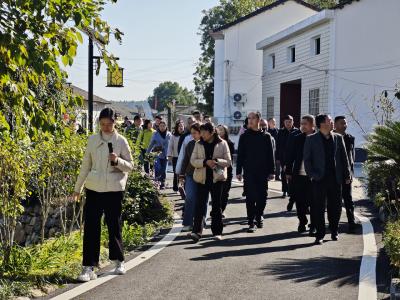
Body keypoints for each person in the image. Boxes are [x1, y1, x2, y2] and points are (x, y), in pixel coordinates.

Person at [72, 108, 134, 282]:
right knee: (91, 226)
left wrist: (117, 161)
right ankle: (88, 267)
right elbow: (85, 165)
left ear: (115, 123)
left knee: (114, 224)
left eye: (109, 124)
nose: (106, 127)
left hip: (114, 190)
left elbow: (130, 166)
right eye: (103, 124)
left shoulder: (121, 141)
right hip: (93, 188)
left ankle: (118, 260)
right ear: (99, 123)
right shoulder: (92, 140)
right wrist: (77, 188)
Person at [303, 114, 351, 245]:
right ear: (322, 124)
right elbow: (307, 160)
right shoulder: (311, 139)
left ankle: (334, 230)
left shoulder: (338, 138)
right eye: (330, 121)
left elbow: (344, 158)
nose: (332, 123)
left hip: (335, 178)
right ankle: (320, 235)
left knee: (335, 207)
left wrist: (347, 175)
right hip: (319, 179)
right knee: (318, 208)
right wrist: (312, 174)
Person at [189, 122, 231, 242]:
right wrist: (204, 162)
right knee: (200, 206)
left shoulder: (222, 143)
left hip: (217, 179)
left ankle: (217, 232)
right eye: (200, 132)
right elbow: (193, 160)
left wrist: (217, 161)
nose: (201, 134)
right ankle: (197, 232)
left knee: (216, 206)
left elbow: (228, 161)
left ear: (211, 132)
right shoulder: (198, 144)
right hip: (202, 179)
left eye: (204, 132)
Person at [236, 112, 275, 233]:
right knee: (250, 197)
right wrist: (238, 171)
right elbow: (240, 155)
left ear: (259, 120)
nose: (250, 120)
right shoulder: (244, 136)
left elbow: (270, 155)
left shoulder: (266, 136)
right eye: (249, 118)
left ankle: (259, 215)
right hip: (249, 171)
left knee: (262, 196)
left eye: (253, 118)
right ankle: (251, 221)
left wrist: (272, 171)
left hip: (262, 171)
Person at [285, 115, 316, 234]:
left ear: (312, 125)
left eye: (305, 124)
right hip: (298, 175)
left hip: (313, 176)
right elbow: (290, 156)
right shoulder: (297, 138)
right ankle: (302, 222)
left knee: (314, 202)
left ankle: (313, 225)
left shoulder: (318, 139)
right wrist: (288, 171)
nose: (302, 126)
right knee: (300, 202)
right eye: (301, 123)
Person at [334, 115, 357, 232]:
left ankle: (351, 222)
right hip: (334, 174)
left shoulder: (350, 138)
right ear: (335, 124)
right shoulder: (330, 137)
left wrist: (350, 173)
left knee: (348, 199)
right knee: (335, 200)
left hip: (347, 174)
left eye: (345, 123)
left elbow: (351, 156)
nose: (344, 125)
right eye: (342, 123)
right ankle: (334, 224)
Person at [178, 123, 202, 231]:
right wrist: (181, 175)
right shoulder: (190, 144)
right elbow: (185, 160)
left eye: (195, 133)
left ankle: (201, 223)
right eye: (191, 133)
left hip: (203, 175)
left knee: (201, 200)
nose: (192, 135)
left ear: (201, 132)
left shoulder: (206, 143)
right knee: (190, 197)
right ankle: (188, 223)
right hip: (190, 174)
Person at [276, 115, 299, 198]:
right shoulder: (281, 132)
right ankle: (284, 190)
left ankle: (291, 190)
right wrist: (277, 158)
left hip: (294, 157)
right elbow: (277, 145)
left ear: (293, 122)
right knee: (284, 174)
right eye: (286, 122)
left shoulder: (297, 131)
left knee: (293, 175)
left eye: (290, 122)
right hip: (283, 157)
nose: (288, 124)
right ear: (284, 123)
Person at [217, 124, 235, 216]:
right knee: (217, 192)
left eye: (221, 130)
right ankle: (217, 210)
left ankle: (221, 210)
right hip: (216, 170)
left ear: (225, 131)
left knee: (225, 193)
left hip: (227, 170)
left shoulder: (230, 143)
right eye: (218, 129)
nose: (219, 131)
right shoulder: (213, 142)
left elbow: (229, 160)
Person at [147, 120, 171, 189]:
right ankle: (157, 182)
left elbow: (172, 145)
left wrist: (172, 153)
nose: (162, 127)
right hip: (157, 153)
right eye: (161, 126)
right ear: (158, 126)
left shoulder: (169, 134)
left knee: (164, 169)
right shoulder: (155, 134)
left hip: (166, 154)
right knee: (158, 167)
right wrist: (148, 152)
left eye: (164, 126)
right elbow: (151, 143)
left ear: (166, 127)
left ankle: (162, 183)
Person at [167, 120, 185, 192]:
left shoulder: (186, 136)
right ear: (177, 128)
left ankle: (183, 187)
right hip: (176, 157)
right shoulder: (173, 136)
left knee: (183, 173)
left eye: (182, 126)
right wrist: (169, 155)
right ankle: (175, 187)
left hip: (184, 157)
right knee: (176, 172)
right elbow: (170, 146)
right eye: (179, 126)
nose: (181, 127)